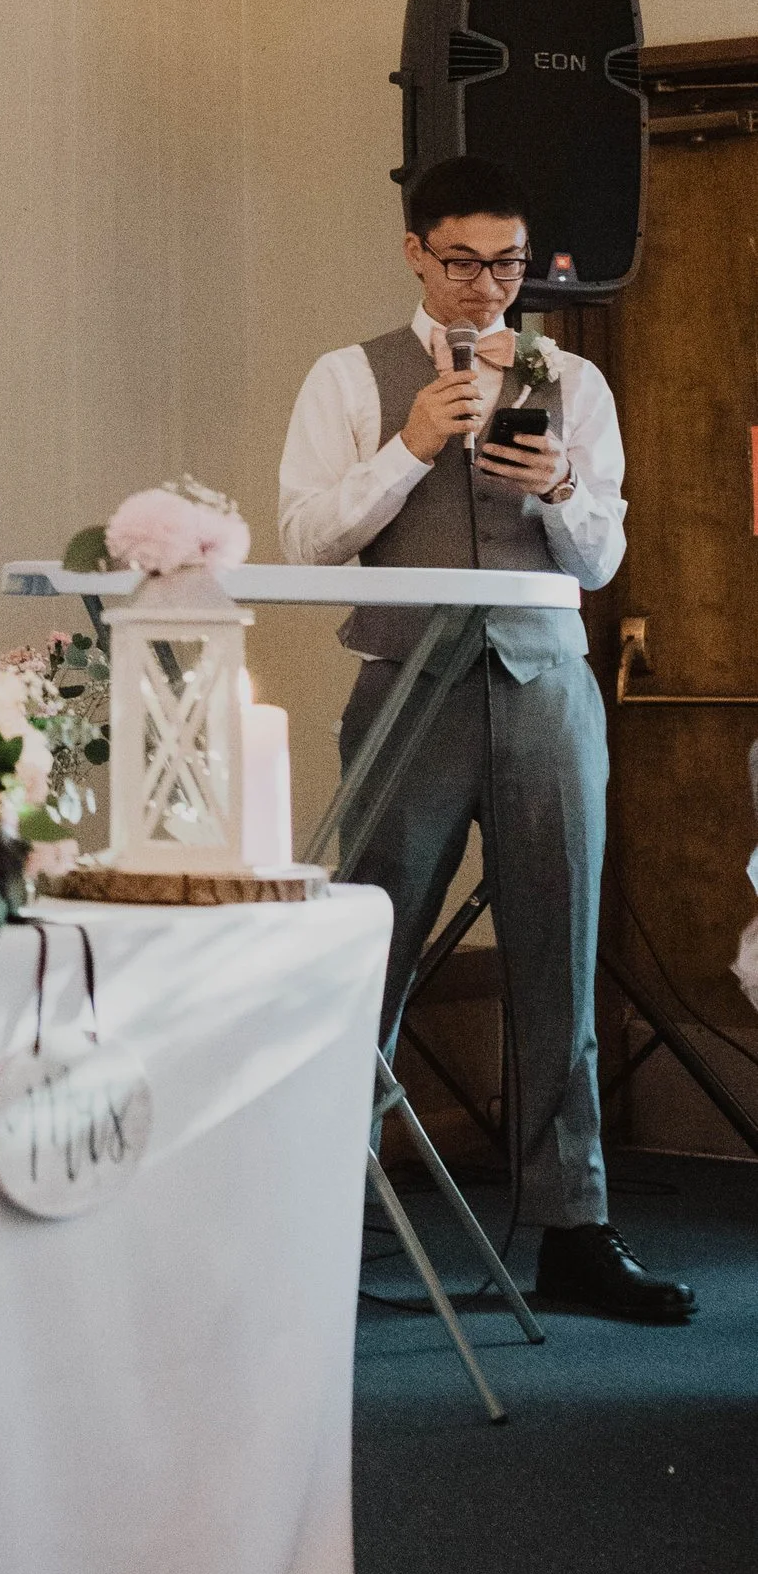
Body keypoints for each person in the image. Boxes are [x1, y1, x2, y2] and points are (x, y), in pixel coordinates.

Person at [279, 153, 693, 1324]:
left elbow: (603, 560)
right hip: (404, 687)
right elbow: (307, 537)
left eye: (508, 264)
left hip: (545, 685)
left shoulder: (574, 380)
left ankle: (573, 1228)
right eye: (462, 263)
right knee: (370, 944)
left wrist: (560, 485)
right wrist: (410, 444)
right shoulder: (347, 377)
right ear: (414, 251)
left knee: (558, 951)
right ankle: (317, 1215)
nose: (486, 289)